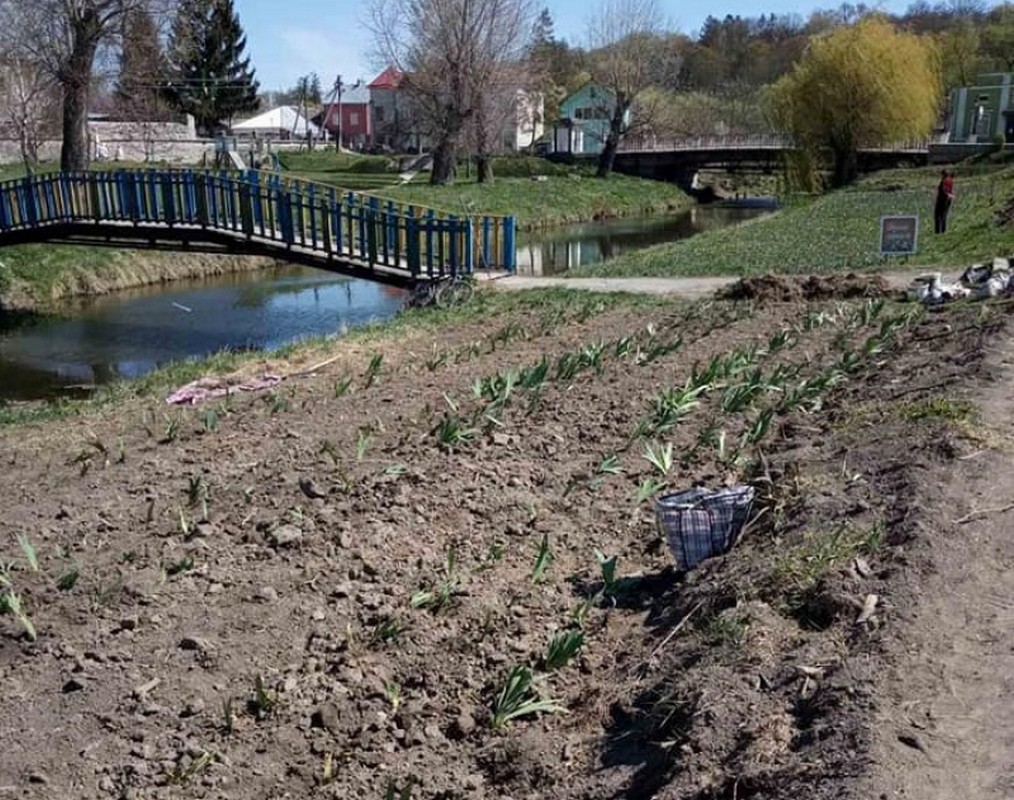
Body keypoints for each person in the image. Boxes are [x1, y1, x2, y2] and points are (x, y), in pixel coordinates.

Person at [934, 169, 955, 234]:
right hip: (949, 198)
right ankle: (943, 230)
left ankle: (938, 231)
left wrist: (946, 195)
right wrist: (950, 195)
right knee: (944, 215)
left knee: (937, 215)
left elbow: (943, 190)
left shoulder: (944, 181)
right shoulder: (951, 180)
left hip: (942, 199)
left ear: (943, 174)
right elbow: (950, 189)